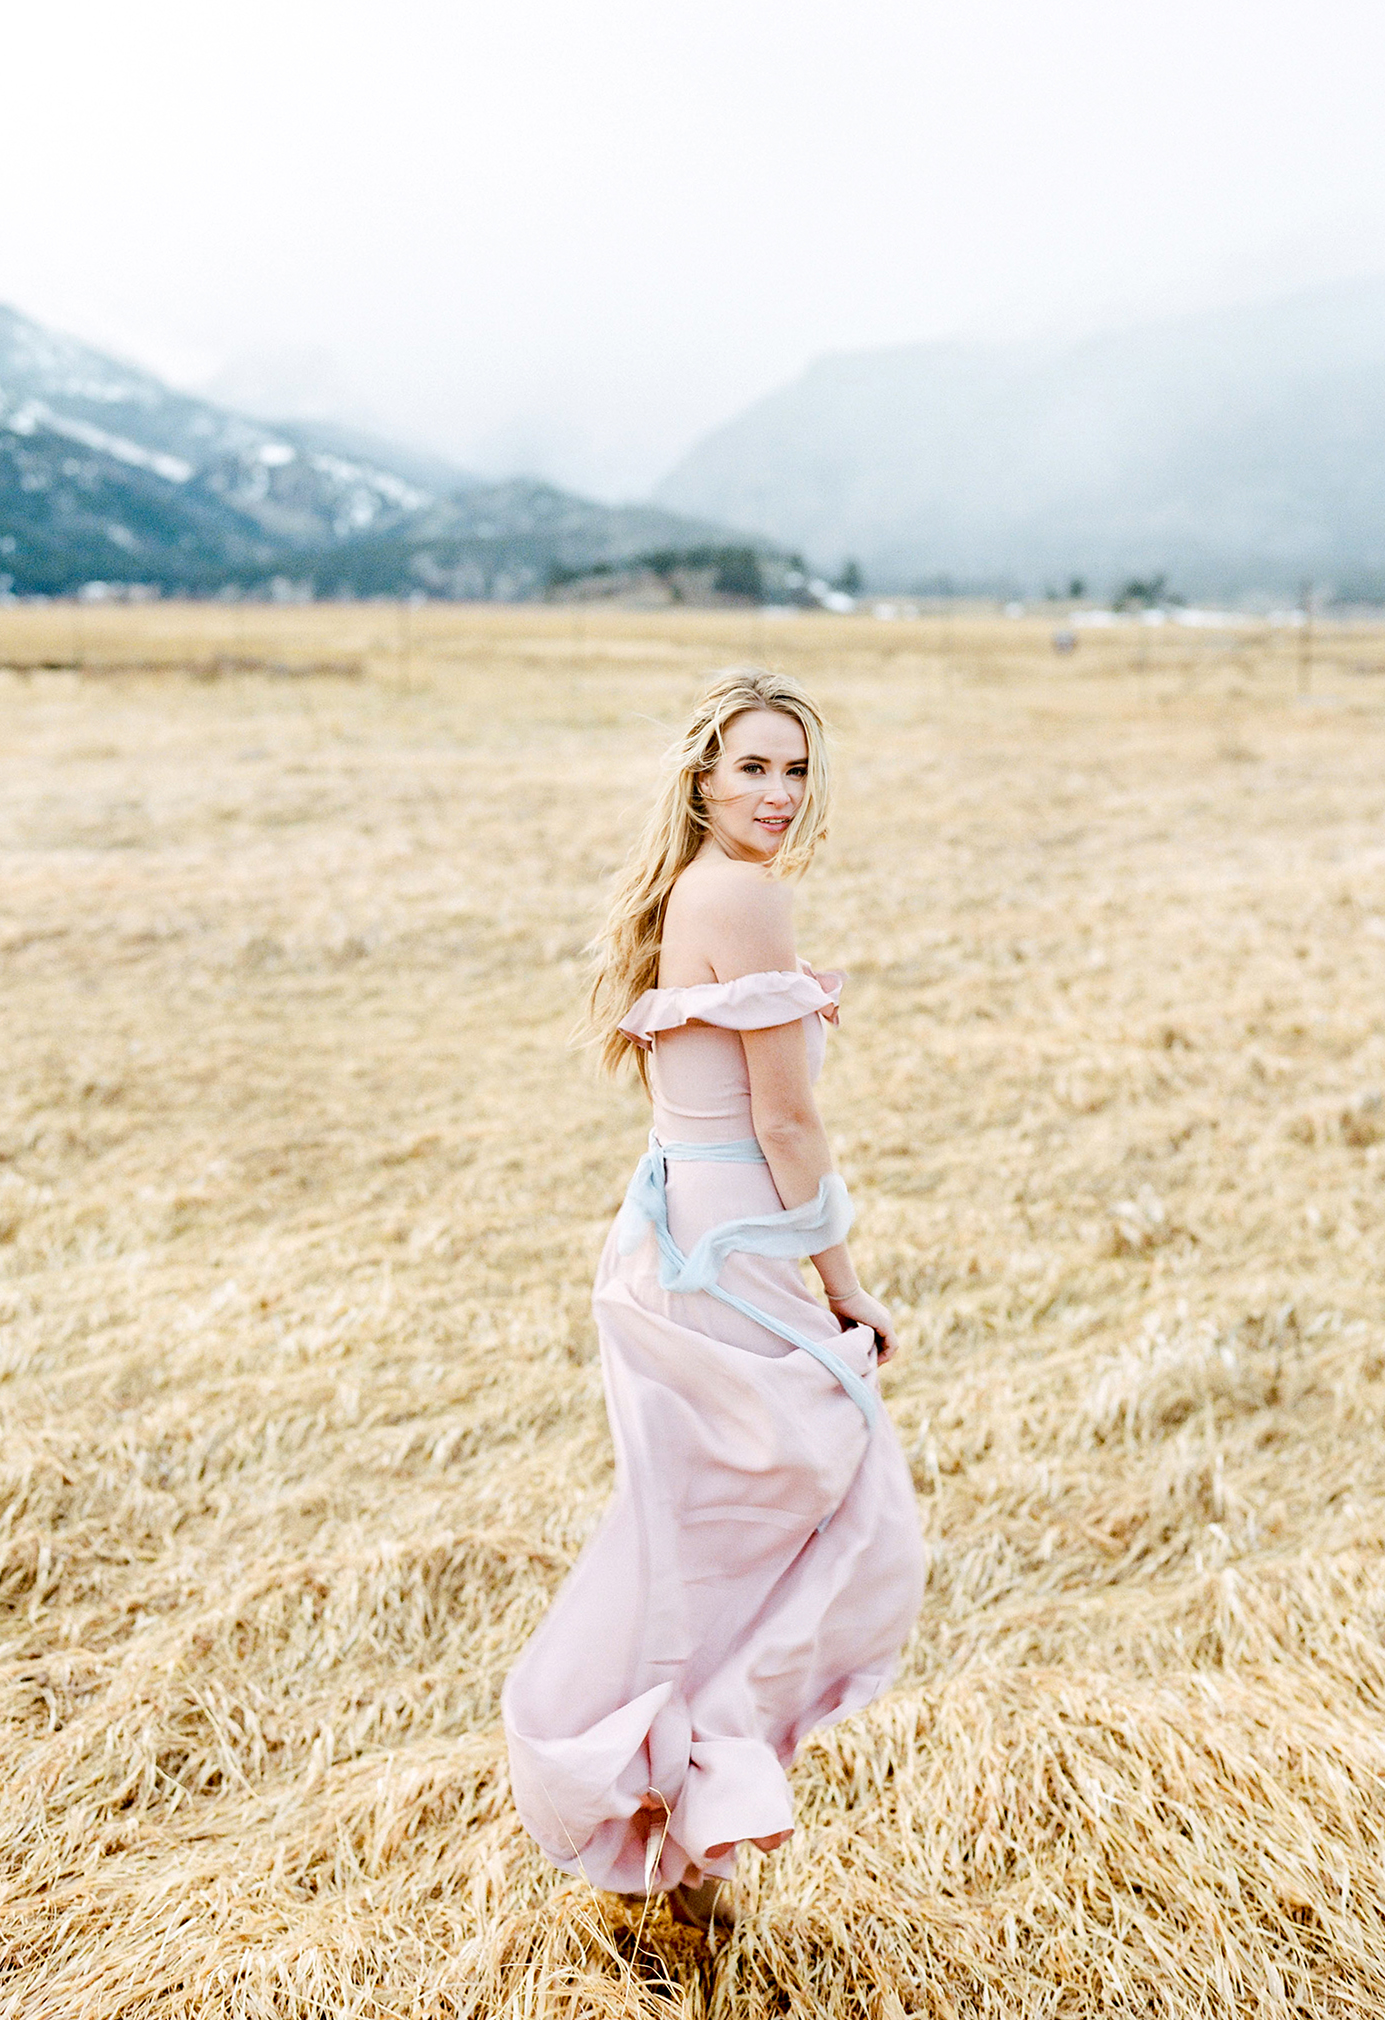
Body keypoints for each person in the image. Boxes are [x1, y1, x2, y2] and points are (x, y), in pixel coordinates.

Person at [501, 668, 925, 1938]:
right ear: (703, 778)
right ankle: (678, 1811)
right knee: (839, 1516)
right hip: (731, 1247)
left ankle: (673, 1849)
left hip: (686, 1231)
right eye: (753, 767)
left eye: (795, 769)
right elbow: (786, 1117)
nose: (779, 794)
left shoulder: (694, 891)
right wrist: (844, 1285)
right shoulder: (740, 894)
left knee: (716, 1529)